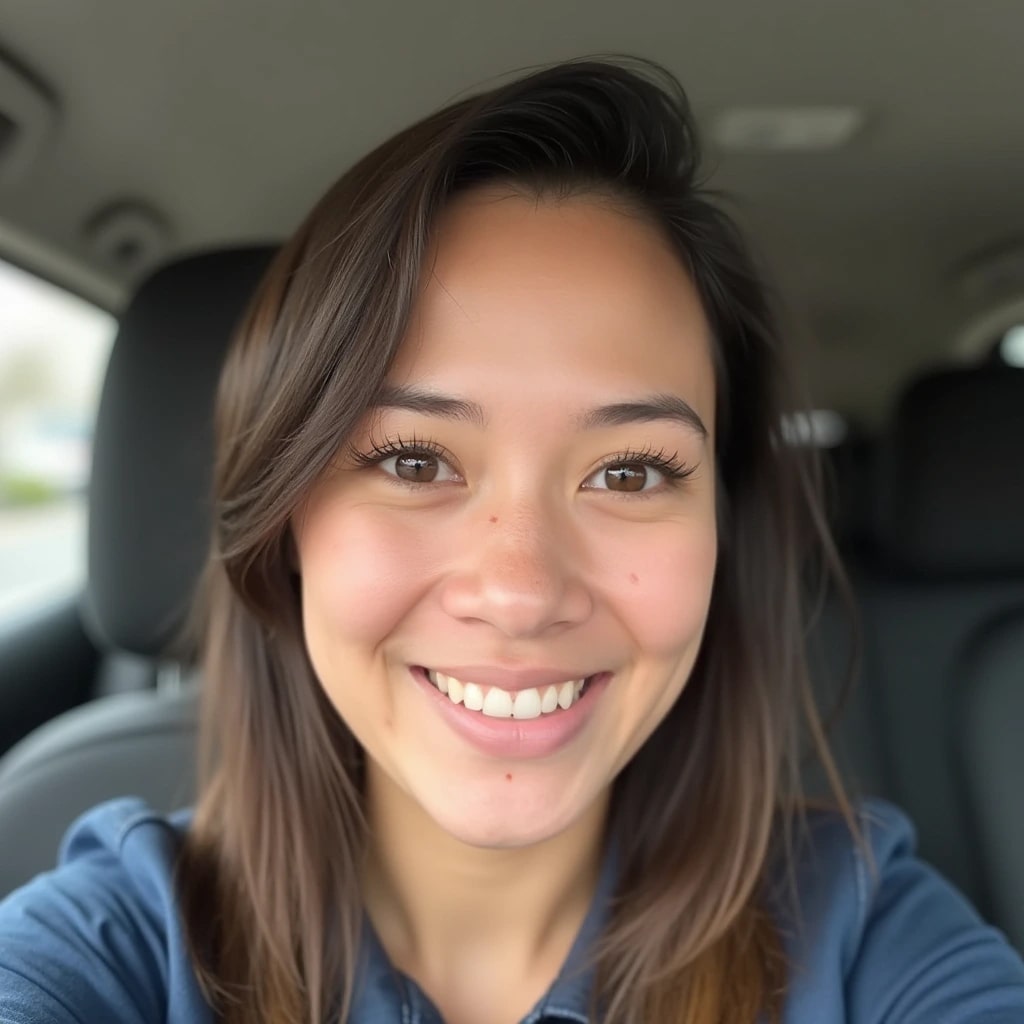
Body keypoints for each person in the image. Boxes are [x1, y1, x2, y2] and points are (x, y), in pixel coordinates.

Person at [1, 58, 1023, 1024]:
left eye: (629, 473)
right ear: (285, 521)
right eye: (412, 462)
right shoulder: (118, 942)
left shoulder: (865, 932)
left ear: (721, 535)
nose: (521, 590)